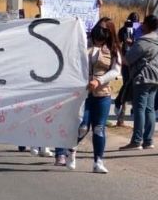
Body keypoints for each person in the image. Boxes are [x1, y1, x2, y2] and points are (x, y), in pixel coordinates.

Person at [67, 18, 121, 173]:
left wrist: (99, 80)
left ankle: (98, 161)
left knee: (99, 128)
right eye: (99, 28)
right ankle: (71, 150)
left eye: (105, 30)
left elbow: (115, 71)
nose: (100, 32)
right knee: (83, 126)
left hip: (102, 94)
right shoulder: (83, 43)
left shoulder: (113, 49)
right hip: (83, 93)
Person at [120, 14, 158, 151]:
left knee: (139, 109)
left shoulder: (143, 41)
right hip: (155, 78)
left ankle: (136, 141)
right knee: (150, 109)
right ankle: (148, 141)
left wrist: (123, 50)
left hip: (142, 78)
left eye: (143, 23)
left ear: (147, 25)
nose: (141, 25)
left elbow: (128, 59)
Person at [114, 12, 140, 126]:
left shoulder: (139, 30)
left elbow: (140, 43)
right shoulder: (123, 30)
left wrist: (133, 42)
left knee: (136, 84)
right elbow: (117, 43)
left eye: (135, 22)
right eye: (131, 21)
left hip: (136, 61)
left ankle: (134, 107)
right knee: (126, 83)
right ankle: (119, 103)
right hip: (125, 60)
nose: (132, 24)